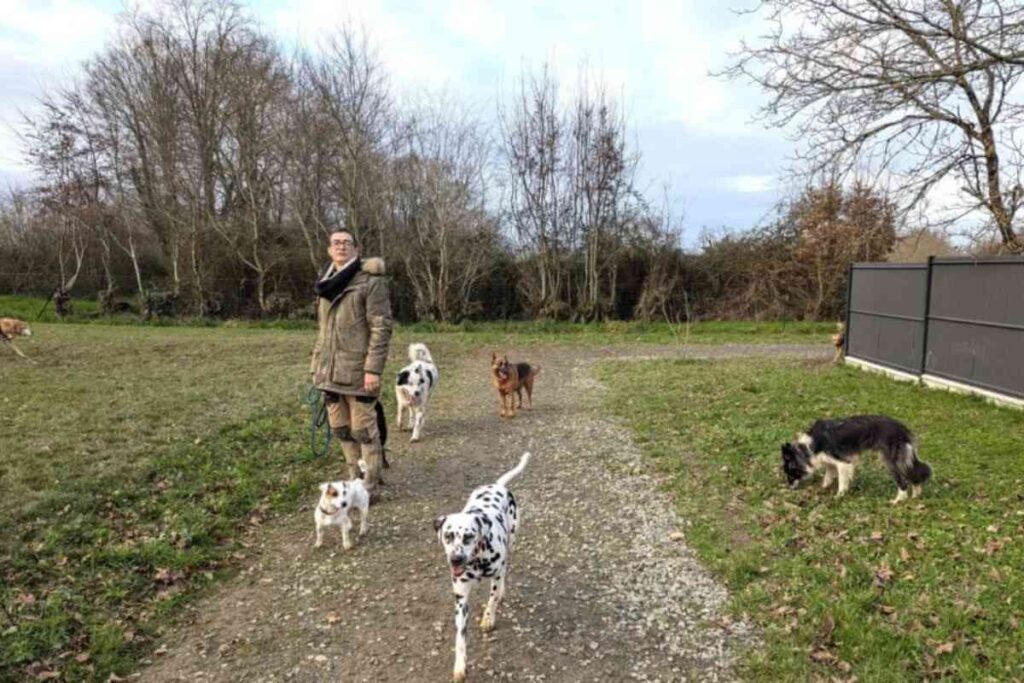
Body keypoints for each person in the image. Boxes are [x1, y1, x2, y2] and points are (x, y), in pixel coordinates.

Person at [310, 229, 392, 501]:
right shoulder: (325, 281)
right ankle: (353, 480)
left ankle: (369, 487)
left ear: (356, 249)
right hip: (329, 370)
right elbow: (323, 330)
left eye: (346, 243)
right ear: (329, 249)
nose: (341, 247)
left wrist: (372, 369)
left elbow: (380, 327)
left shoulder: (369, 281)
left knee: (364, 431)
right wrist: (317, 364)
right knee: (342, 430)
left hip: (358, 371)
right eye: (336, 243)